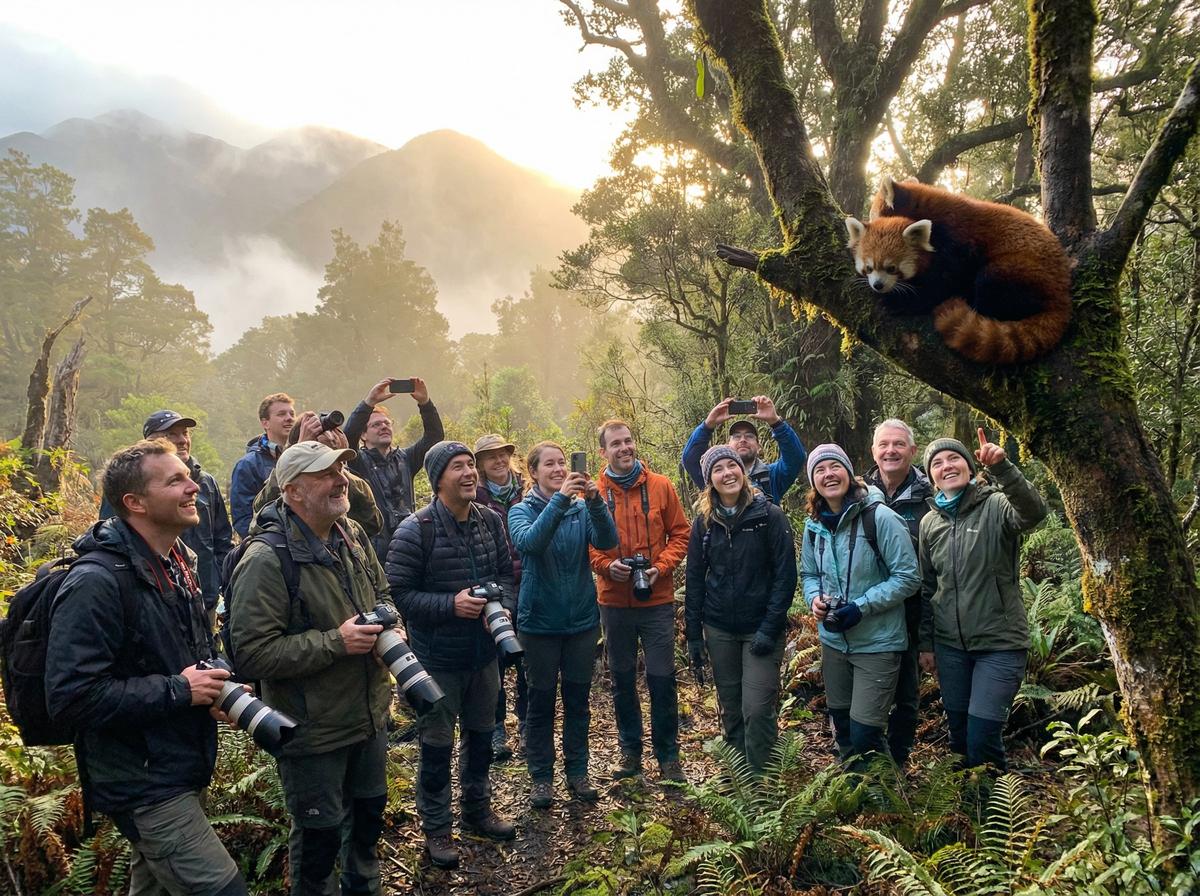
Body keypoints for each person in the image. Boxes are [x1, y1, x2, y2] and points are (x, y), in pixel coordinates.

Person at [46, 439, 248, 896]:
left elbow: (185, 657)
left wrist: (214, 686)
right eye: (174, 480)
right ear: (134, 503)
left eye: (188, 475)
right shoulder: (95, 583)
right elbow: (70, 696)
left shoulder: (180, 562)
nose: (193, 486)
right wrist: (180, 690)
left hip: (178, 761)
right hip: (142, 780)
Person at [228, 441, 395, 895]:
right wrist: (335, 643)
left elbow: (382, 595)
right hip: (312, 731)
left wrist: (389, 630)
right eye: (326, 473)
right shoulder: (265, 559)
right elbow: (250, 655)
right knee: (319, 844)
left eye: (341, 469)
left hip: (368, 716)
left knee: (367, 821)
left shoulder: (351, 535)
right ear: (293, 491)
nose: (341, 479)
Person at [386, 441, 517, 870]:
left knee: (481, 738)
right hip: (436, 660)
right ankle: (437, 828)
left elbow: (506, 574)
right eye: (458, 467)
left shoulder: (491, 521)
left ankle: (477, 810)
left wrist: (502, 606)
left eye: (470, 466)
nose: (469, 473)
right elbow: (399, 596)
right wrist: (450, 605)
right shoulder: (415, 530)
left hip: (483, 657)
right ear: (438, 478)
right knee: (437, 746)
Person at [919, 431, 1048, 771]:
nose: (946, 466)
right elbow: (927, 586)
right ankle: (966, 814)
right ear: (931, 475)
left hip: (999, 643)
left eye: (954, 458)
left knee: (983, 737)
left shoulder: (996, 505)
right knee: (959, 738)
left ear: (970, 465)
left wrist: (1003, 468)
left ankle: (996, 816)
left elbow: (1033, 512)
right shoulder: (930, 523)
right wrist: (926, 643)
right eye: (937, 463)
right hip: (950, 647)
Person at [508, 441, 618, 808]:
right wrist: (560, 501)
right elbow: (531, 544)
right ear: (533, 472)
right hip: (538, 623)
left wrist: (595, 501)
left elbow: (608, 541)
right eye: (549, 465)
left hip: (581, 623)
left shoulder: (582, 509)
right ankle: (541, 778)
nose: (558, 470)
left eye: (562, 463)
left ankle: (578, 771)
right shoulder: (520, 511)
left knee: (578, 701)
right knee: (540, 703)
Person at [801, 443, 919, 763]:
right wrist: (814, 599)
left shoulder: (879, 517)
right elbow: (809, 573)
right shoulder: (814, 524)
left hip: (877, 642)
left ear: (849, 473)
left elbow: (908, 576)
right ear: (814, 481)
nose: (829, 475)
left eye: (834, 467)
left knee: (866, 732)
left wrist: (861, 606)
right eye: (820, 470)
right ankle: (854, 799)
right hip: (833, 642)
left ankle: (881, 801)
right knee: (843, 727)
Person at [588, 419, 691, 782]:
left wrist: (660, 569)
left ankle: (668, 756)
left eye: (628, 441)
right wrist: (605, 566)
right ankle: (630, 752)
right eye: (615, 443)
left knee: (662, 678)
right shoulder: (593, 492)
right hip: (614, 602)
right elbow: (585, 542)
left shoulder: (661, 486)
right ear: (603, 451)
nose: (624, 448)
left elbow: (681, 533)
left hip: (657, 600)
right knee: (621, 679)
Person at [685, 446, 797, 772]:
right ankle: (738, 775)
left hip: (761, 627)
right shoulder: (705, 524)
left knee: (757, 708)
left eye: (732, 465)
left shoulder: (769, 517)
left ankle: (761, 784)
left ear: (743, 471)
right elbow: (694, 579)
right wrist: (694, 635)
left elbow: (785, 577)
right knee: (731, 708)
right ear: (710, 481)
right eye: (718, 469)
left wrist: (770, 627)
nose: (727, 473)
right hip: (719, 628)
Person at [98, 409, 233, 615]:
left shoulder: (206, 482)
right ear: (149, 441)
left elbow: (222, 539)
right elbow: (114, 537)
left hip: (202, 595)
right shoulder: (128, 484)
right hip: (148, 599)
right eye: (171, 434)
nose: (181, 440)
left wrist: (219, 583)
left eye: (185, 433)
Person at [864, 419, 933, 766]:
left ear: (912, 450)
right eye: (884, 444)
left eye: (898, 444)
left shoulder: (931, 496)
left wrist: (928, 638)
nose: (891, 451)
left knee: (906, 693)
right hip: (866, 610)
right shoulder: (857, 493)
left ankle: (898, 764)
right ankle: (864, 761)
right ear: (873, 450)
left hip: (912, 610)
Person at [344, 377, 445, 559]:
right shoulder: (357, 462)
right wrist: (369, 402)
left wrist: (425, 403)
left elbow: (434, 437)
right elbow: (347, 437)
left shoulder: (406, 459)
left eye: (386, 423)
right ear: (363, 435)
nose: (383, 427)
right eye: (376, 425)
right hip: (374, 551)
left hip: (410, 544)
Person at [472, 433, 526, 761]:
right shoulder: (474, 497)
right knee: (495, 663)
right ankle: (497, 729)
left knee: (527, 662)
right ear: (480, 463)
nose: (498, 460)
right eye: (490, 456)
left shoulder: (526, 490)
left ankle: (527, 726)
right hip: (494, 588)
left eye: (503, 453)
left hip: (530, 584)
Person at [252, 411, 384, 539]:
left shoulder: (353, 482)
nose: (331, 438)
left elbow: (373, 525)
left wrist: (338, 461)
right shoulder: (285, 481)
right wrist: (297, 454)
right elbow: (261, 513)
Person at [681, 395, 807, 504]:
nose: (743, 440)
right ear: (728, 445)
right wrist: (708, 425)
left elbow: (795, 458)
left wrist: (776, 422)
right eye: (736, 436)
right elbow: (690, 459)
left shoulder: (772, 475)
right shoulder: (715, 477)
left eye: (749, 436)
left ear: (759, 447)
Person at [231, 392, 296, 537]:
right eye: (281, 414)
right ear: (265, 422)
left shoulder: (304, 457)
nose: (289, 418)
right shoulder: (247, 465)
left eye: (292, 413)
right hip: (272, 546)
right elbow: (243, 520)